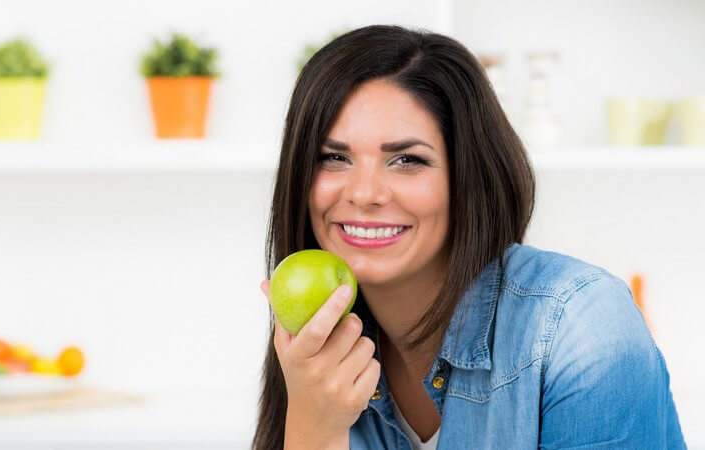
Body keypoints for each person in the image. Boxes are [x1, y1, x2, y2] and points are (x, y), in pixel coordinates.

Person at [252, 24, 686, 449]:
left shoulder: (581, 328)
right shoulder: (316, 359)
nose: (364, 194)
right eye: (334, 157)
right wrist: (314, 427)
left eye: (406, 159)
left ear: (468, 178)